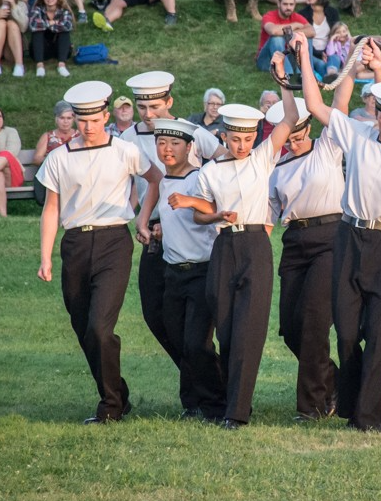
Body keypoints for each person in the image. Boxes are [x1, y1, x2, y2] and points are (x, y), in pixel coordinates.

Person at [296, 33, 381, 432]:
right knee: (346, 334)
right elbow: (315, 104)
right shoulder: (357, 137)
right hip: (349, 238)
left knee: (378, 335)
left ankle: (369, 418)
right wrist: (306, 54)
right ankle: (352, 402)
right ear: (374, 114)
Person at [36, 80, 162, 424]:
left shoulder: (124, 150)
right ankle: (118, 394)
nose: (88, 127)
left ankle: (109, 407)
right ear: (74, 119)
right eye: (81, 120)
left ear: (105, 115)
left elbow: (156, 178)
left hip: (113, 243)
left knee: (99, 328)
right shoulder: (59, 158)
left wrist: (142, 218)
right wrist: (46, 256)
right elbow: (51, 209)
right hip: (74, 244)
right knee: (83, 328)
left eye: (94, 120)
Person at [167, 91, 294, 430]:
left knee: (248, 333)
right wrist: (205, 209)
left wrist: (284, 82)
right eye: (236, 139)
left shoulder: (262, 157)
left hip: (255, 245)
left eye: (248, 138)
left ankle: (237, 411)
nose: (242, 145)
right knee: (225, 329)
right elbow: (203, 216)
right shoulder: (210, 171)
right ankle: (229, 400)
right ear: (223, 135)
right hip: (224, 247)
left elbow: (290, 119)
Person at [121, 71, 227, 417]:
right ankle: (200, 389)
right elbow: (154, 183)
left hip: (197, 240)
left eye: (155, 106)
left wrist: (206, 202)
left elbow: (225, 162)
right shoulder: (126, 139)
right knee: (161, 320)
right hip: (157, 240)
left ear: (169, 102)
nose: (148, 113)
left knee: (195, 334)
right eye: (142, 107)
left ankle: (206, 397)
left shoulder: (193, 133)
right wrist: (144, 219)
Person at [267, 93, 345, 421]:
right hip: (295, 241)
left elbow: (339, 104)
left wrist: (353, 66)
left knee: (314, 321)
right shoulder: (276, 168)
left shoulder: (328, 146)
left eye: (299, 135)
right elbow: (268, 218)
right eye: (289, 136)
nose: (294, 142)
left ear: (309, 127)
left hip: (331, 237)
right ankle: (336, 381)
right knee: (291, 327)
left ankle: (311, 407)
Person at [152, 118, 227, 421]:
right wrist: (158, 231)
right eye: (161, 143)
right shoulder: (163, 180)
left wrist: (189, 201)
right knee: (181, 340)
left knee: (197, 342)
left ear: (189, 147)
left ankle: (217, 402)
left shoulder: (200, 178)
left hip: (201, 270)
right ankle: (192, 402)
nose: (167, 149)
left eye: (175, 144)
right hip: (172, 273)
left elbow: (215, 209)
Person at [255, 0, 314, 72]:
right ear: (279, 4)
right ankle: (286, 75)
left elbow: (312, 32)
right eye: (285, 4)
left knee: (306, 38)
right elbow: (273, 31)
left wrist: (291, 33)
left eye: (291, 4)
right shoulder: (269, 16)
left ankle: (304, 74)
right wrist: (295, 25)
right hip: (267, 59)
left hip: (288, 57)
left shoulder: (296, 17)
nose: (288, 8)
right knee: (276, 39)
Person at [33, 100, 78, 206]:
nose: (65, 121)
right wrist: (53, 159)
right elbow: (36, 159)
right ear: (56, 119)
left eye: (69, 118)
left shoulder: (79, 136)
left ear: (74, 119)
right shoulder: (48, 136)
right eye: (62, 118)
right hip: (54, 173)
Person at [28, 0, 74, 78]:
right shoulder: (37, 9)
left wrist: (46, 24)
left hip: (59, 48)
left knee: (64, 32)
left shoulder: (64, 10)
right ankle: (40, 66)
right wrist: (53, 23)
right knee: (37, 31)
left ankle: (61, 65)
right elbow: (34, 25)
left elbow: (68, 26)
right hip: (41, 49)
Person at [297, 0, 341, 81]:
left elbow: (336, 33)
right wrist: (319, 54)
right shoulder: (302, 14)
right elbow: (304, 38)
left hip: (329, 50)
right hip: (311, 52)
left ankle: (331, 74)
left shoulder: (332, 12)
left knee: (335, 58)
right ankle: (328, 77)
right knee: (320, 63)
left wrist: (327, 52)